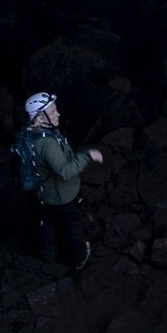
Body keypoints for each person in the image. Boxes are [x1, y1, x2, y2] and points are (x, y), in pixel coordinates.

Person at [21, 91, 102, 269]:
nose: (57, 114)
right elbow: (65, 172)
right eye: (51, 113)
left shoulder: (33, 132)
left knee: (47, 222)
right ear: (39, 119)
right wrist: (87, 156)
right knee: (73, 224)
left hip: (45, 193)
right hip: (61, 195)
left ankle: (47, 256)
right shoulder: (47, 143)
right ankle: (80, 258)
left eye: (55, 110)